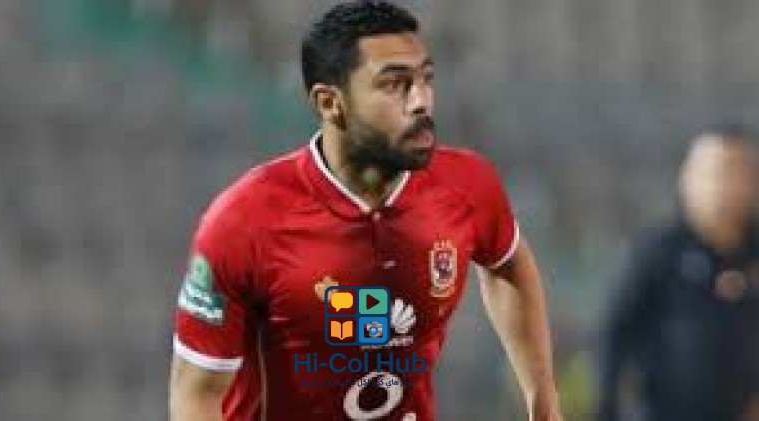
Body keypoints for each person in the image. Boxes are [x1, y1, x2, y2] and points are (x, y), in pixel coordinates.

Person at [168, 2, 562, 420]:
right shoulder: (243, 221)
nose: (421, 101)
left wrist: (543, 401)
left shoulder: (467, 185)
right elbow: (197, 395)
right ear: (329, 103)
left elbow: (508, 263)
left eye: (425, 79)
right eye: (395, 85)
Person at [598, 127, 759, 421]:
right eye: (715, 174)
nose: (725, 186)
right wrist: (607, 407)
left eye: (738, 173)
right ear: (687, 179)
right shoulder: (659, 252)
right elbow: (615, 334)